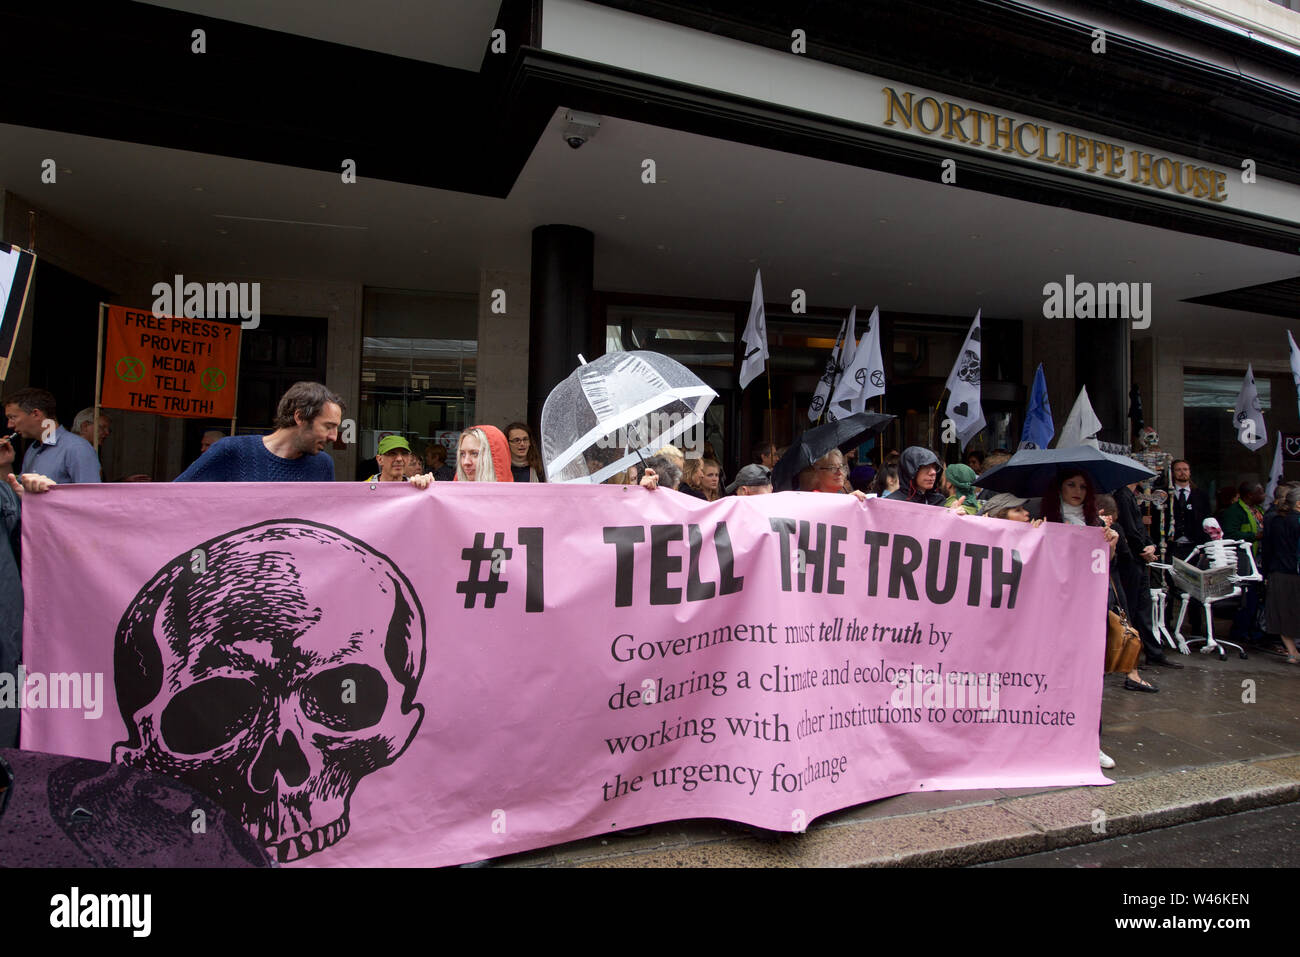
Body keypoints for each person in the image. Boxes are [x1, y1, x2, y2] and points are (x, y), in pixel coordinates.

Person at [1043, 469, 1156, 695]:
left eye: (1083, 487)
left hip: (1088, 600)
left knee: (1085, 659)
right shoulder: (1046, 517)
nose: (1077, 491)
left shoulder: (1094, 521)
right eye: (1071, 485)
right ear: (1060, 488)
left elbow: (1106, 563)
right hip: (1055, 598)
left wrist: (1111, 543)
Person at [174, 381, 342, 482]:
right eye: (328, 426)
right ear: (300, 417)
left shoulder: (323, 465)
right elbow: (174, 498)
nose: (334, 437)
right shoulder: (231, 450)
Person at [1113, 481, 1182, 669]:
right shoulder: (1122, 496)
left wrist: (1150, 544)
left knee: (1144, 608)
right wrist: (1144, 549)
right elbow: (1130, 528)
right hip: (1133, 560)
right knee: (1133, 608)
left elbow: (1140, 528)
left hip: (1140, 559)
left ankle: (1153, 651)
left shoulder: (1131, 496)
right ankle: (1133, 654)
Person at [3, 387, 101, 485]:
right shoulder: (33, 449)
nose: (9, 425)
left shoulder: (77, 448)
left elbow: (90, 496)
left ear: (36, 414)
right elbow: (19, 496)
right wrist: (4, 464)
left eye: (13, 417)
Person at [1259, 485, 1300, 665]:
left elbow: (1267, 549)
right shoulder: (1296, 522)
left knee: (1284, 613)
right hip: (1294, 573)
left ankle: (1292, 652)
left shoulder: (1273, 520)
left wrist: (1266, 573)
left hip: (1278, 572)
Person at [1162, 459, 1211, 561]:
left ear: (1189, 472)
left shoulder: (1201, 495)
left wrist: (1204, 548)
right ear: (1172, 473)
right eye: (1178, 470)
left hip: (1195, 547)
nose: (1182, 472)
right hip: (1171, 547)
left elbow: (1207, 522)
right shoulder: (1164, 495)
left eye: (1185, 469)